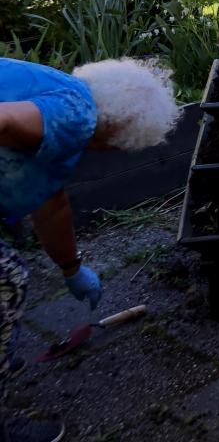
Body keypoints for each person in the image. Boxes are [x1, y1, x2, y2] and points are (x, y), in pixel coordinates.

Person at [0, 57, 181, 442]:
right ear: (116, 128)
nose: (106, 151)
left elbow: (50, 207)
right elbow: (4, 120)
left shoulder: (58, 93)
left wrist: (70, 269)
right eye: (114, 145)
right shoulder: (76, 115)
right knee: (6, 280)